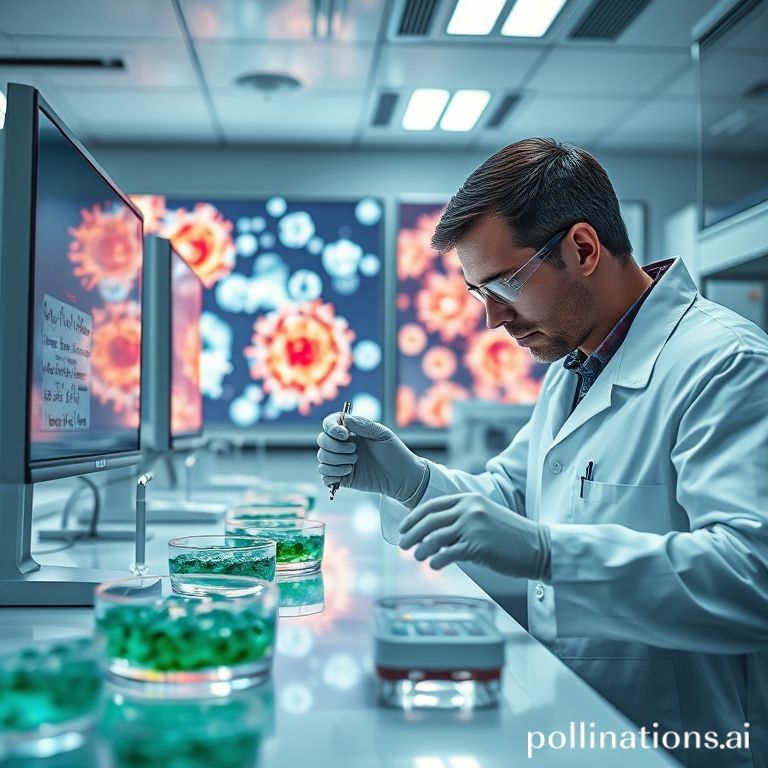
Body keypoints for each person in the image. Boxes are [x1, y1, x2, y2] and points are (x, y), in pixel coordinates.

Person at [317, 138, 768, 767]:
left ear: (582, 248)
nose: (492, 322)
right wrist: (413, 483)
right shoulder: (576, 360)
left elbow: (754, 578)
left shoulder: (725, 364)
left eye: (504, 286)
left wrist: (550, 554)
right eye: (479, 295)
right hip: (579, 726)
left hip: (684, 743)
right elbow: (514, 494)